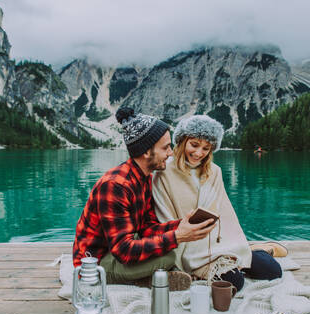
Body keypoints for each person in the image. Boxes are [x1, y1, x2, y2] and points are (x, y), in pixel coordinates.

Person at [72, 108, 216, 289]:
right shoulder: (115, 186)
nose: (171, 153)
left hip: (115, 252)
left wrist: (181, 225)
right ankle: (146, 280)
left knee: (169, 247)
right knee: (169, 255)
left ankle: (153, 276)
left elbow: (148, 228)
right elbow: (123, 251)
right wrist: (177, 236)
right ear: (147, 151)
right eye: (165, 148)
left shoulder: (145, 177)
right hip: (94, 265)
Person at [152, 115, 283, 291]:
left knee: (273, 271)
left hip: (216, 241)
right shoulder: (164, 172)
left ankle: (255, 251)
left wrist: (235, 246)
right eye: (194, 145)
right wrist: (178, 254)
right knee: (235, 282)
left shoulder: (214, 171)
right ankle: (238, 258)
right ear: (182, 141)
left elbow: (225, 213)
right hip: (189, 246)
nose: (199, 153)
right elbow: (164, 217)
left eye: (206, 148)